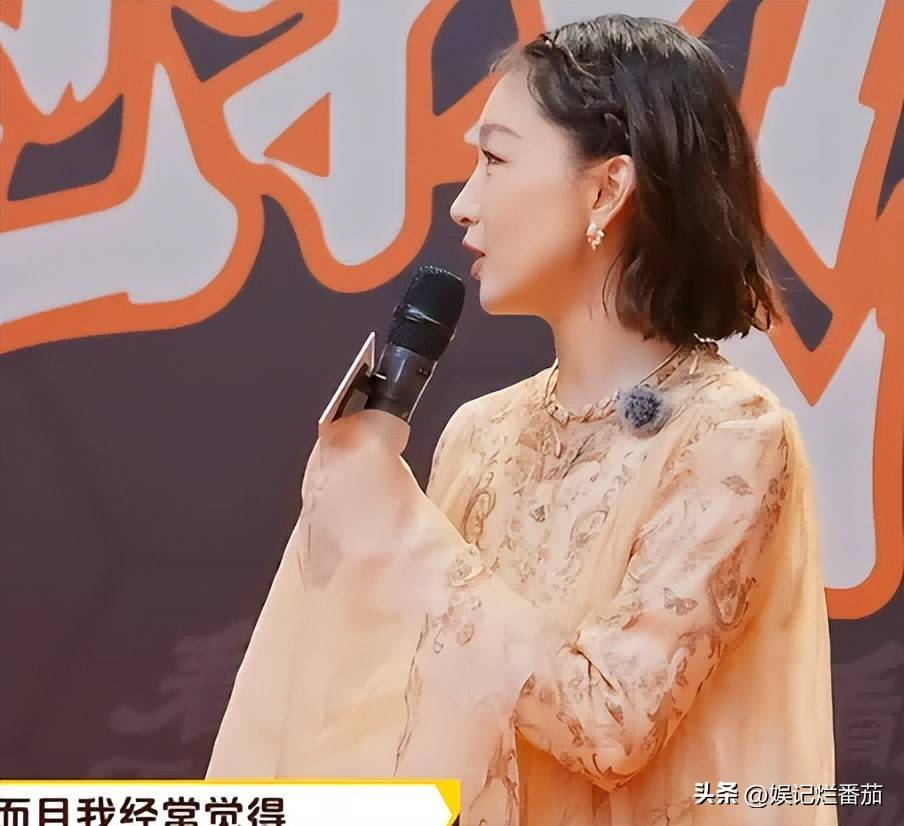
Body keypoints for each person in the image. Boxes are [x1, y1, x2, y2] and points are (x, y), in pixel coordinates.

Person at [206, 14, 836, 826]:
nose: (464, 205)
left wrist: (398, 535)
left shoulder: (733, 435)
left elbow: (611, 725)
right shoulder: (482, 432)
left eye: (495, 160)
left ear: (606, 189)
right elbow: (425, 712)